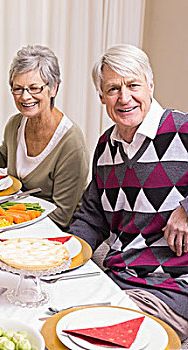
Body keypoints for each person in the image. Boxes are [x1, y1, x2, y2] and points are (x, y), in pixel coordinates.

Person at [69, 44, 188, 340]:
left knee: (95, 336)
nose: (124, 98)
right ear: (101, 97)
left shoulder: (183, 130)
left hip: (171, 288)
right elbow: (92, 215)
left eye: (133, 85)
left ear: (150, 84)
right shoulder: (106, 146)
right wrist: (62, 256)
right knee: (47, 315)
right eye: (112, 89)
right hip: (117, 278)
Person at [0, 45, 88, 230]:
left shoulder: (71, 143)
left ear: (53, 88)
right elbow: (5, 155)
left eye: (34, 88)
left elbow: (62, 215)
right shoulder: (16, 124)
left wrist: (5, 219)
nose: (25, 97)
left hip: (50, 230)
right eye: (18, 89)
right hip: (12, 218)